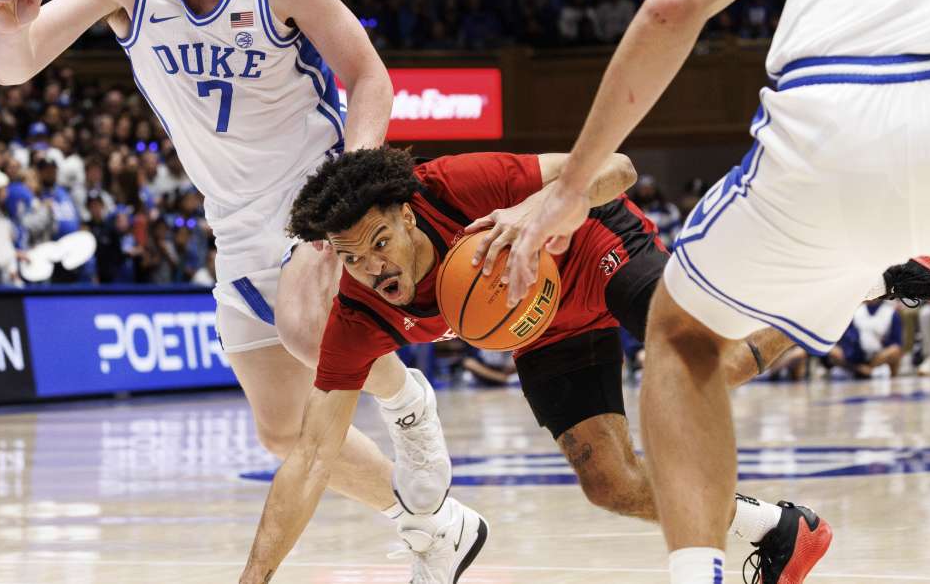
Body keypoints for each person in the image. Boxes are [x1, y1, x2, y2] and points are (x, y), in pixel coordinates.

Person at [500, 0, 930, 582]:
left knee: (683, 336)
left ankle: (699, 573)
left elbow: (674, 5)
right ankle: (881, 275)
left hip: (829, 123)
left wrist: (570, 189)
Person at [0, 0, 473, 579]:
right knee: (280, 430)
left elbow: (370, 78)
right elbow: (16, 65)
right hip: (233, 221)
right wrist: (11, 28)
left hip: (316, 188)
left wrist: (353, 188)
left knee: (307, 330)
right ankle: (436, 523)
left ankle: (407, 402)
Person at [242, 147, 828, 584]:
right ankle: (775, 530)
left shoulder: (452, 187)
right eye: (352, 257)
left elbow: (618, 168)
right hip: (539, 324)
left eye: (380, 241)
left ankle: (840, 282)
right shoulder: (357, 317)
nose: (373, 267)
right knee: (611, 484)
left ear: (408, 215)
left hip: (592, 249)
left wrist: (533, 210)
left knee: (715, 365)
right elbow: (312, 459)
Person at [826, 301, 904, 379]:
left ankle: (869, 371)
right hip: (854, 356)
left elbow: (897, 343)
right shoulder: (854, 311)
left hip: (877, 358)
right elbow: (844, 337)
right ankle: (860, 370)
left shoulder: (891, 312)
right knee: (832, 350)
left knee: (895, 350)